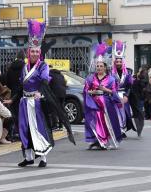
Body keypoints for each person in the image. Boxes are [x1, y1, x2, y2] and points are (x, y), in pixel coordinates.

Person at [16, 20, 75, 167]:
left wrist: (39, 93)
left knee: (39, 129)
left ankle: (43, 158)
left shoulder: (42, 66)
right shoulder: (24, 66)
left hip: (37, 102)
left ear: (39, 53)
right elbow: (20, 84)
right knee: (24, 129)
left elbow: (44, 82)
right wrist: (13, 99)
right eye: (32, 51)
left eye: (37, 51)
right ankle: (29, 157)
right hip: (24, 102)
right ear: (28, 52)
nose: (35, 53)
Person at [83, 45, 122, 150]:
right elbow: (86, 90)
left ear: (105, 67)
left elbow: (114, 92)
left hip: (106, 104)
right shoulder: (91, 78)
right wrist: (93, 91)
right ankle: (97, 140)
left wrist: (105, 90)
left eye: (101, 66)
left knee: (106, 122)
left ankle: (105, 140)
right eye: (97, 66)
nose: (99, 68)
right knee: (95, 122)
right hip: (94, 104)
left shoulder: (111, 80)